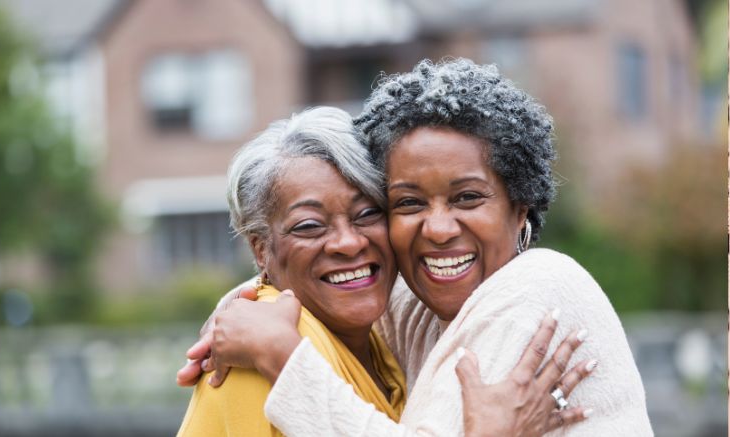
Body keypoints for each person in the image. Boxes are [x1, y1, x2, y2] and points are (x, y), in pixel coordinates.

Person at [183, 58, 652, 435]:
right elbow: (328, 281)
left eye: (467, 197)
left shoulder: (540, 288)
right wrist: (240, 311)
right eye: (408, 202)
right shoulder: (415, 308)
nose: (440, 228)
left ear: (520, 208)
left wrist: (280, 353)